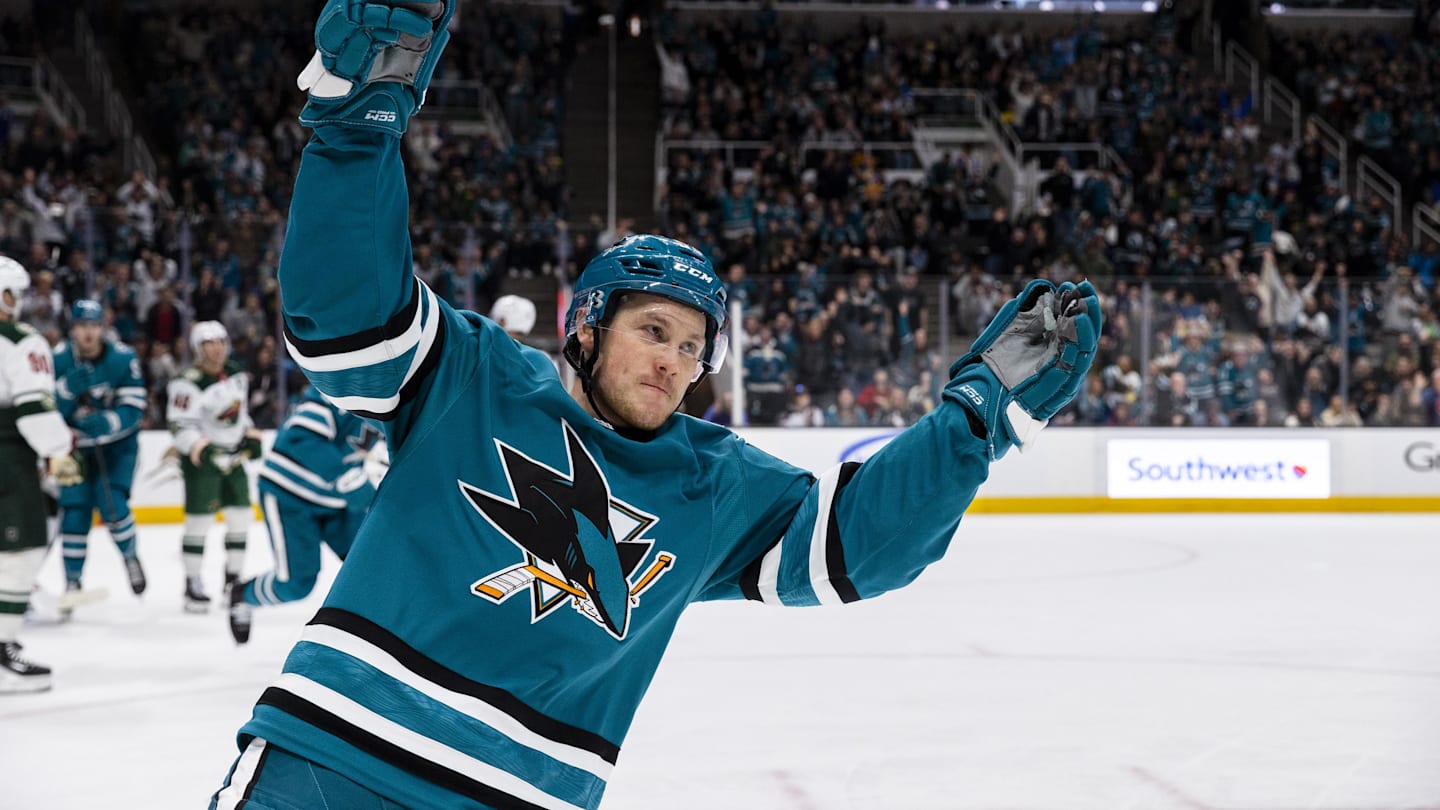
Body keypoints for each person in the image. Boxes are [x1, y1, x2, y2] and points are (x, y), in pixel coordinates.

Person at [209, 5, 1101, 808]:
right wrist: (356, 133)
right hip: (329, 761)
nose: (677, 361)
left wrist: (977, 422)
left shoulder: (712, 481)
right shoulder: (473, 374)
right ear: (588, 327)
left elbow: (861, 543)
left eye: (692, 346)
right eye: (655, 330)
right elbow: (347, 325)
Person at [227, 384, 380, 645]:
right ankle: (243, 594)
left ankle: (375, 638)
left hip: (336, 502)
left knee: (376, 566)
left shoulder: (402, 398)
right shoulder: (336, 388)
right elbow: (301, 439)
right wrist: (346, 479)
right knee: (297, 584)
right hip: (290, 495)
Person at [0, 256, 82, 691]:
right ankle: (2, 650)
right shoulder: (20, 340)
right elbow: (34, 411)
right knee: (20, 554)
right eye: (13, 293)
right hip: (8, 461)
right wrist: (59, 448)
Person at [52, 299, 149, 606]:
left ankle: (130, 556)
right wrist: (64, 393)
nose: (89, 333)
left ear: (103, 328)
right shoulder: (56, 359)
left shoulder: (122, 358)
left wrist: (110, 421)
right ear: (73, 329)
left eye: (94, 326)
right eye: (82, 326)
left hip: (118, 447)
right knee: (75, 513)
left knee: (113, 504)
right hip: (74, 449)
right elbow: (44, 410)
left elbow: (135, 407)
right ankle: (72, 581)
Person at [166, 320, 262, 613]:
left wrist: (249, 434)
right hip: (202, 463)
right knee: (199, 523)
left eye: (221, 341)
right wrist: (202, 449)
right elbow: (179, 425)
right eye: (209, 343)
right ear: (198, 348)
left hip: (234, 460)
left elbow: (239, 414)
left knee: (241, 517)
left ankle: (233, 580)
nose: (217, 348)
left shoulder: (236, 374)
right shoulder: (187, 381)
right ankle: (192, 582)